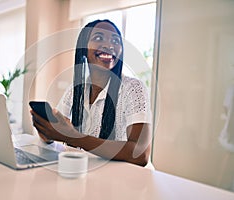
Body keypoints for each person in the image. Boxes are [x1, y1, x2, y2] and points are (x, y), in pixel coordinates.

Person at [31, 19, 152, 167]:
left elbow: (141, 154)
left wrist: (74, 137)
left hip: (132, 181)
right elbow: (59, 128)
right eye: (99, 38)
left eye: (115, 40)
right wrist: (48, 133)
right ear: (84, 48)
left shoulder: (133, 88)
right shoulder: (75, 90)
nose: (109, 45)